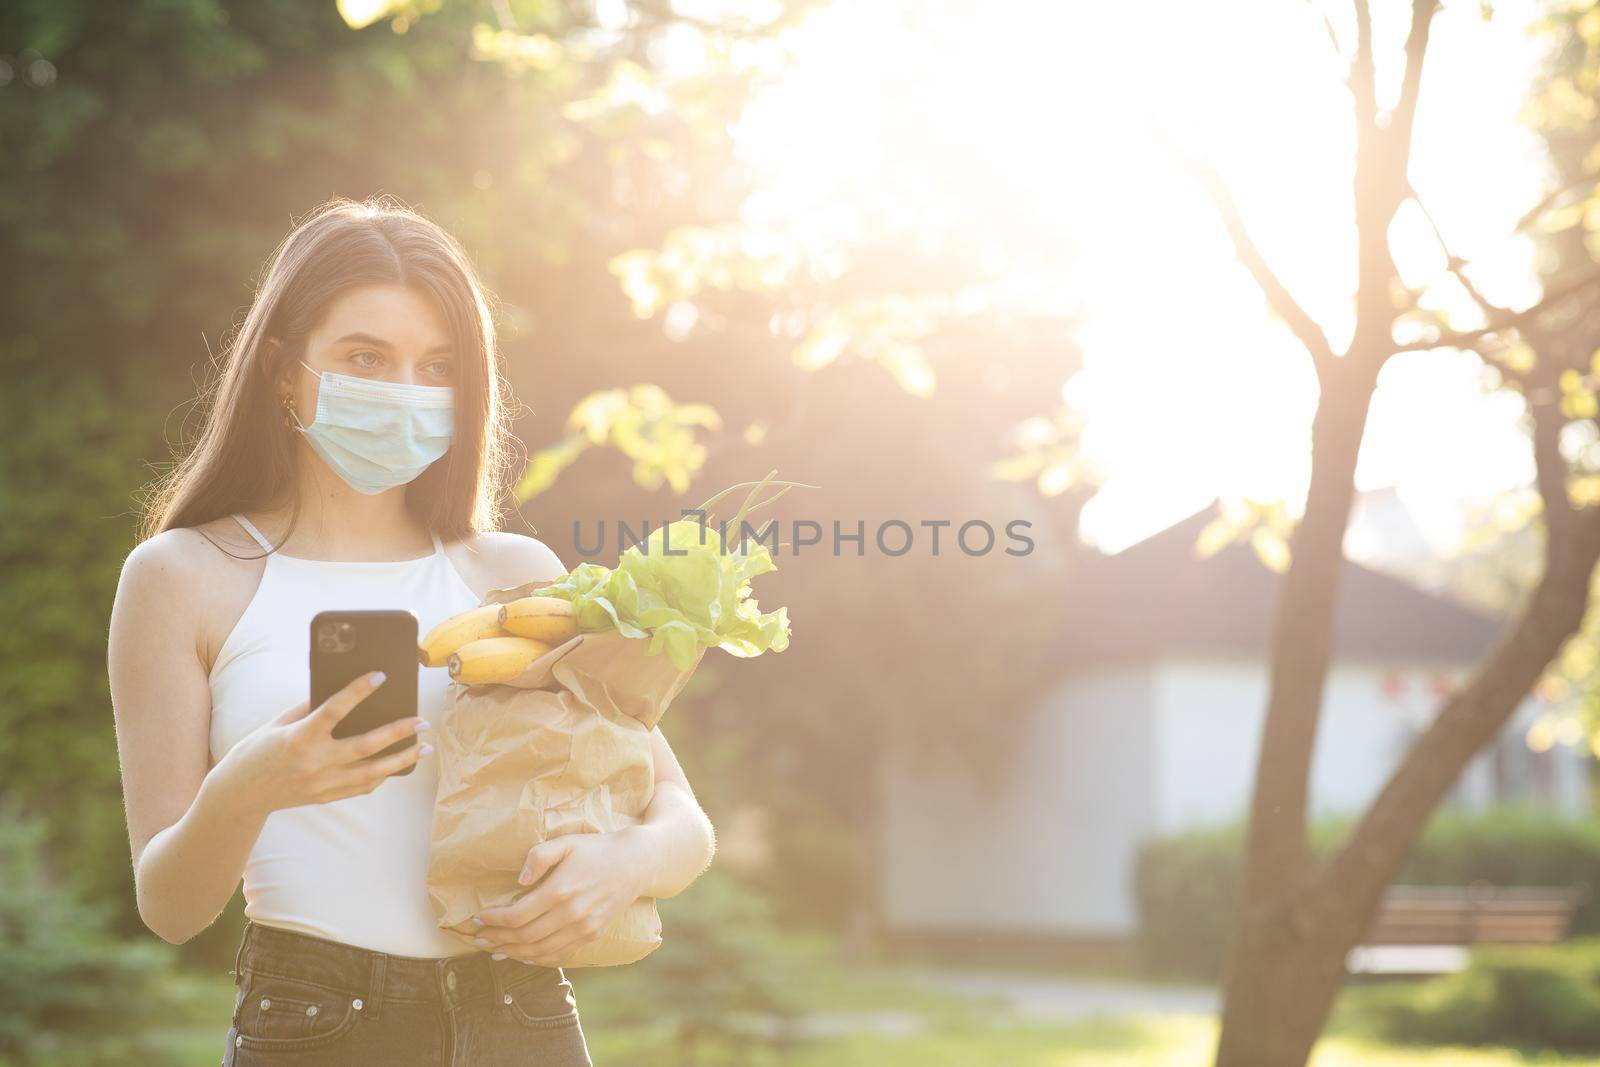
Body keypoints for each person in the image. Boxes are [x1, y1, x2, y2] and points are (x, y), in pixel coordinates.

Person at [107, 196, 717, 1065]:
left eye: (438, 366)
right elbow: (169, 906)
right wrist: (251, 785)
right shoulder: (180, 577)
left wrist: (628, 863)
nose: (406, 393)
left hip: (525, 1014)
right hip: (315, 1022)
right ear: (283, 371)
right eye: (365, 357)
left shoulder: (515, 577)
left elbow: (682, 815)